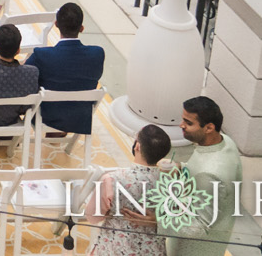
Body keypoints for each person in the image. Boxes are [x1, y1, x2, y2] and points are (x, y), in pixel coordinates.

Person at [167, 97, 242, 256]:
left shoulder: (210, 175)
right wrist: (181, 168)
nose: (181, 125)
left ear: (209, 127)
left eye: (188, 123)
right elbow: (202, 166)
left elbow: (197, 228)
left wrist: (158, 220)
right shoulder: (225, 142)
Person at [87, 125, 173, 256]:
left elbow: (93, 217)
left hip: (112, 249)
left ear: (137, 146)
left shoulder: (112, 179)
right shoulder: (171, 184)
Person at [26, 2, 106, 138]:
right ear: (81, 28)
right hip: (80, 117)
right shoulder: (97, 54)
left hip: (47, 115)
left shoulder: (42, 55)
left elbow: (24, 76)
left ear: (56, 24)